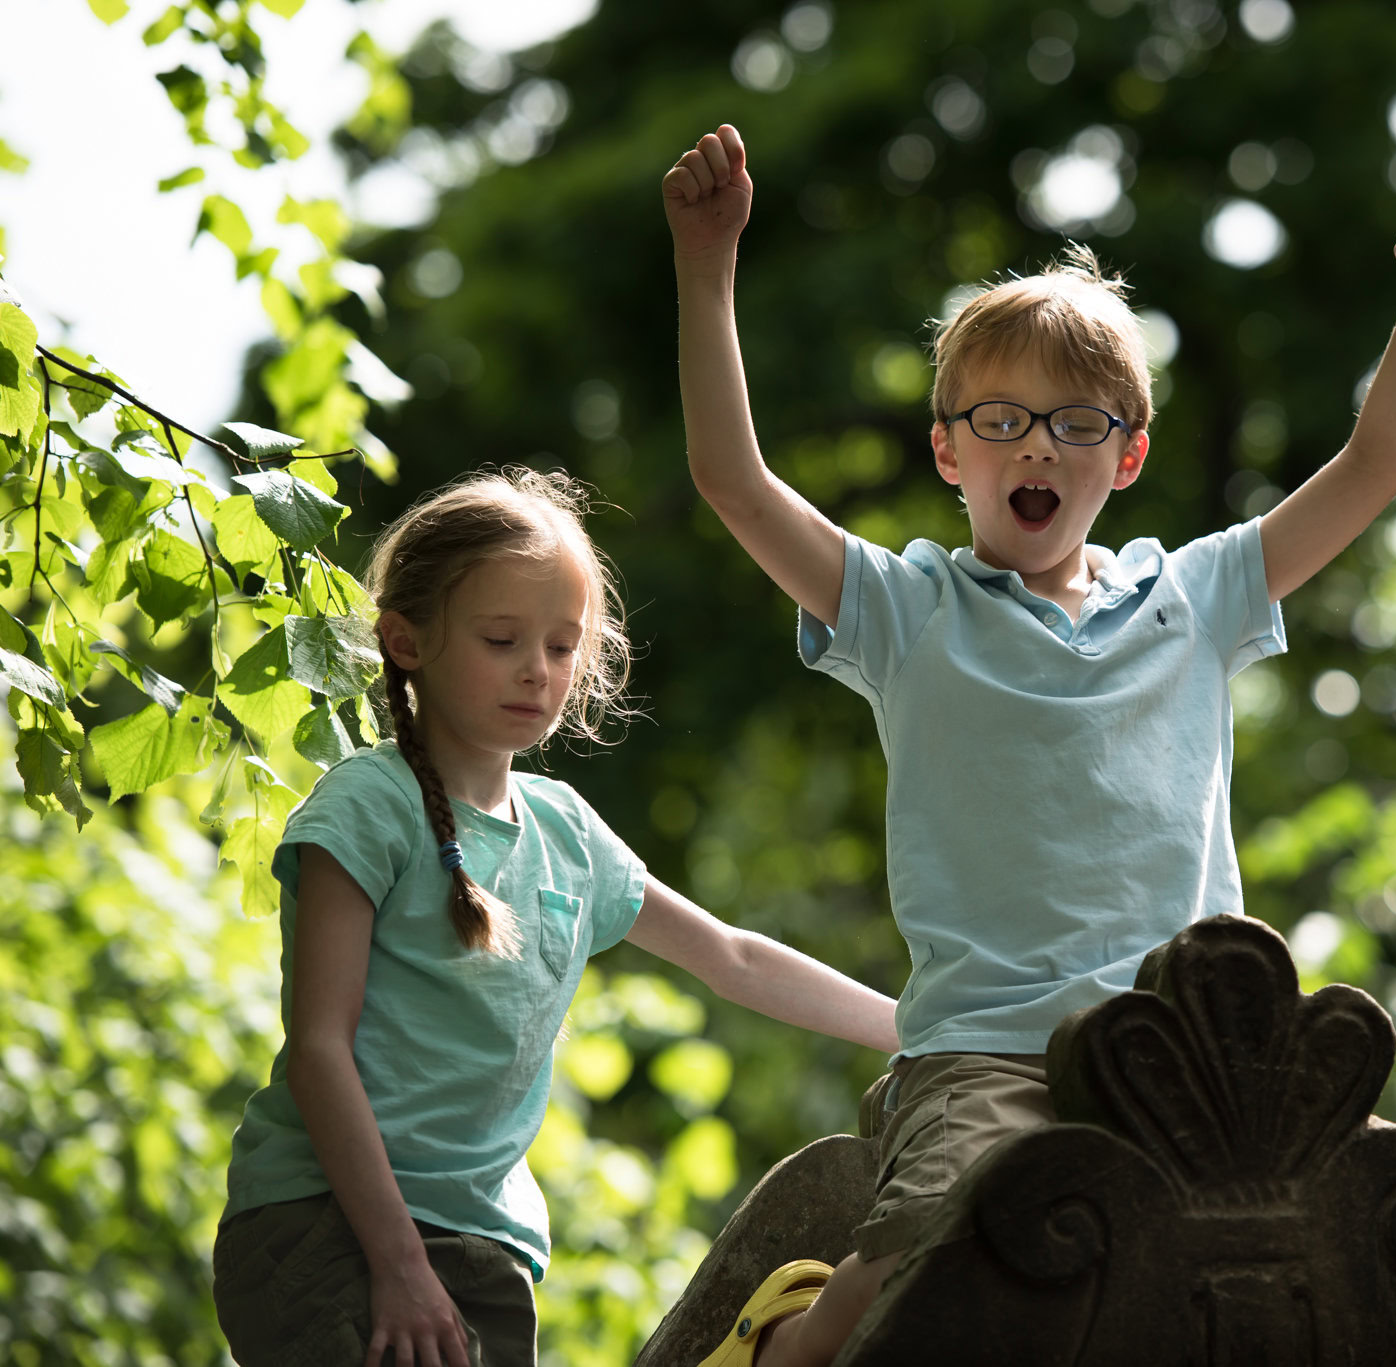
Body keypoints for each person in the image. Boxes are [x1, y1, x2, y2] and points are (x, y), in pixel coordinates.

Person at [663, 122, 1396, 1367]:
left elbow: (1378, 461)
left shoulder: (1199, 595)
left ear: (1129, 454)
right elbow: (732, 477)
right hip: (986, 1048)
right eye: (998, 418)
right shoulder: (904, 608)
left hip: (1194, 1048)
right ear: (946, 451)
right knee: (926, 1251)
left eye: (1075, 422)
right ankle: (787, 1339)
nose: (1036, 444)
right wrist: (706, 264)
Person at [211, 468, 900, 1367]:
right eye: (503, 639)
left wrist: (920, 1027)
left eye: (564, 646)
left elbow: (733, 958)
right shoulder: (366, 808)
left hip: (484, 1248)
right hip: (329, 1225)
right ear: (406, 640)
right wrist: (398, 1261)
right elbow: (318, 1050)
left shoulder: (568, 832)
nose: (538, 670)